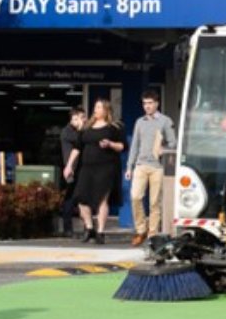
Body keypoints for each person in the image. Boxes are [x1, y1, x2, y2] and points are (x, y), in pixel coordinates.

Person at [63, 99, 124, 245]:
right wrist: (69, 165)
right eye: (95, 107)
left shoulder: (114, 128)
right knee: (81, 199)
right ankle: (89, 228)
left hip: (106, 168)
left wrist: (110, 144)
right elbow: (77, 148)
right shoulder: (86, 127)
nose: (95, 109)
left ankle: (101, 232)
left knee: (102, 199)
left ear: (106, 110)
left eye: (99, 107)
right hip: (87, 168)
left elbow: (122, 146)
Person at [125, 90, 176, 247]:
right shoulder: (140, 122)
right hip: (141, 164)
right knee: (135, 196)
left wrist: (164, 148)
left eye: (150, 103)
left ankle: (152, 234)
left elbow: (173, 142)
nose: (147, 106)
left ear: (157, 104)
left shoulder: (165, 121)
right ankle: (141, 229)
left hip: (158, 167)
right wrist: (129, 167)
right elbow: (134, 145)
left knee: (155, 202)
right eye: (144, 103)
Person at [58, 106, 86, 238]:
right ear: (72, 119)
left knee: (84, 198)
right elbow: (78, 143)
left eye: (83, 118)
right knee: (70, 198)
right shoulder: (67, 132)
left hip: (83, 169)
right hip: (72, 169)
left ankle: (88, 227)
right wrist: (81, 129)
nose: (81, 121)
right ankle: (67, 228)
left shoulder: (82, 131)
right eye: (77, 118)